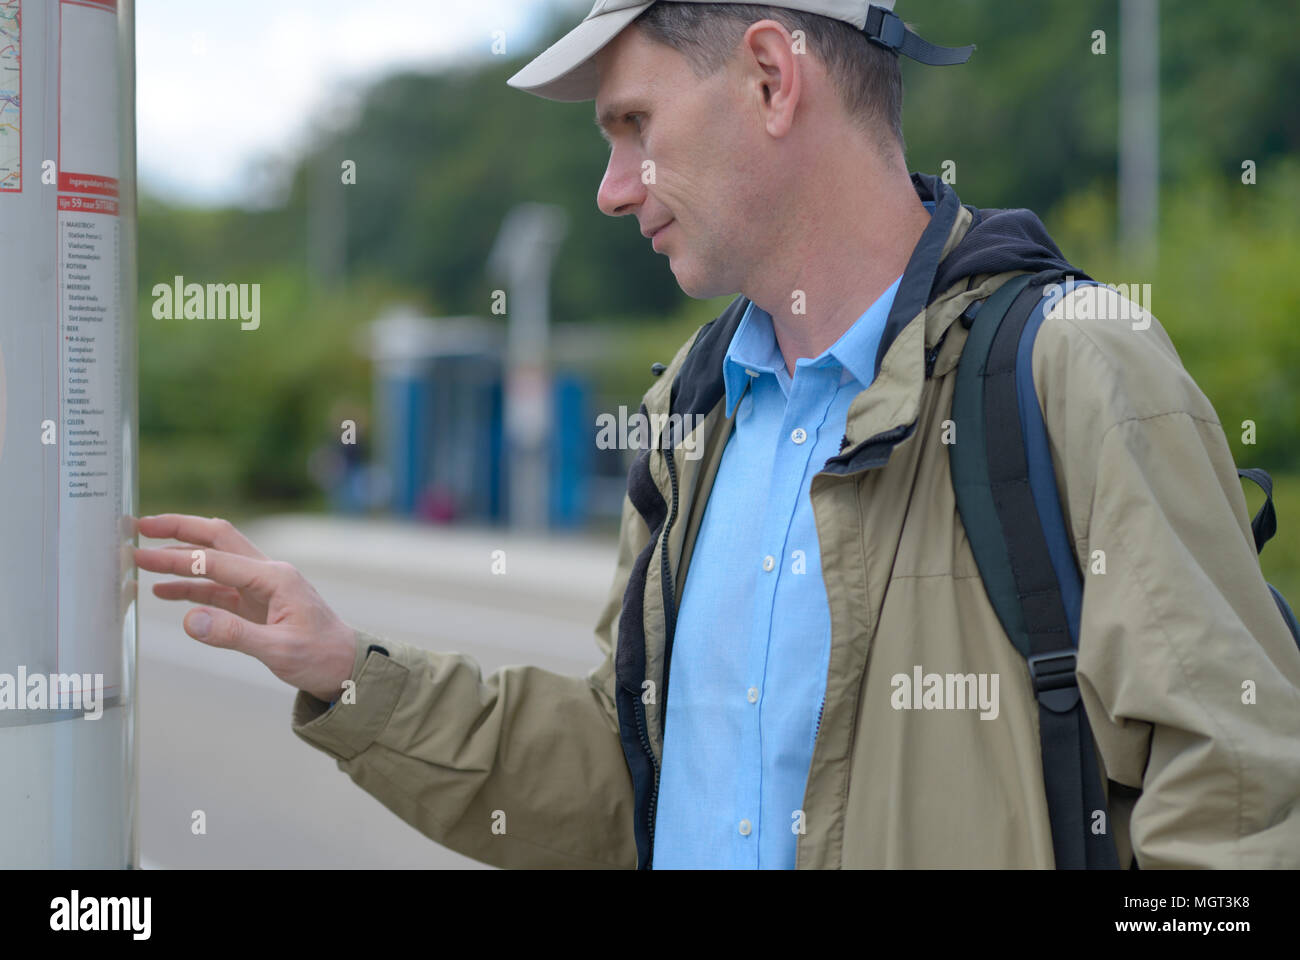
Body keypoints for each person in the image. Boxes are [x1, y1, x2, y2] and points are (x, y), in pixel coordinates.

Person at [133, 1, 1300, 869]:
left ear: (770, 77)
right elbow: (621, 774)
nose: (610, 186)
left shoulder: (1074, 363)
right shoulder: (692, 411)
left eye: (631, 124)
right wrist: (350, 678)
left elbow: (1245, 802)